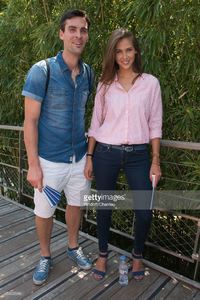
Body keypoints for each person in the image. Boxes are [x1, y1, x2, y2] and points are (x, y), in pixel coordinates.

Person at [22, 9, 94, 285]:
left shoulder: (88, 72)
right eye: (73, 29)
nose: (78, 35)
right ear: (61, 34)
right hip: (49, 161)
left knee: (76, 205)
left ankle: (73, 247)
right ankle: (44, 255)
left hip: (78, 159)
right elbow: (30, 121)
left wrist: (89, 156)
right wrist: (33, 165)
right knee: (45, 212)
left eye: (83, 30)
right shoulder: (42, 71)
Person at [84, 28, 162, 281]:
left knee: (144, 210)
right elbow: (96, 124)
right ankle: (103, 254)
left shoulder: (150, 83)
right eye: (119, 51)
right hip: (106, 151)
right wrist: (90, 157)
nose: (124, 56)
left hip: (139, 155)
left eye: (129, 50)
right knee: (104, 206)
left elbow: (155, 124)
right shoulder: (106, 86)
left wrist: (155, 160)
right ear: (113, 55)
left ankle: (137, 257)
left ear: (136, 51)